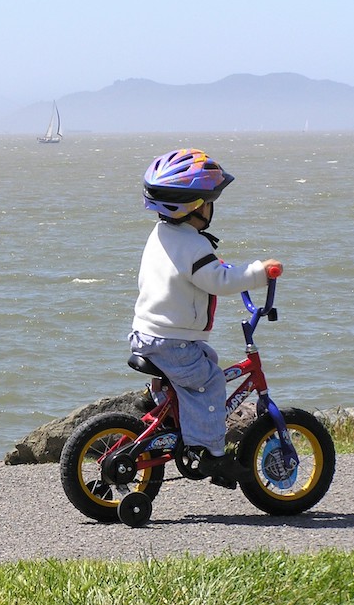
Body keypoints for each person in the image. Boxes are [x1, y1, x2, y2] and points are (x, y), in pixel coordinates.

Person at [130, 148, 283, 487]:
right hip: (172, 341)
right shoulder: (194, 246)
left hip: (149, 334)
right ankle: (212, 454)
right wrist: (260, 273)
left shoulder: (163, 235)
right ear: (196, 207)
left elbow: (198, 272)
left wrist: (222, 266)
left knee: (204, 363)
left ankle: (166, 410)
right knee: (211, 381)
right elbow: (218, 280)